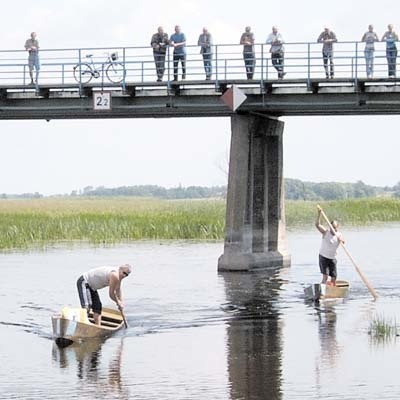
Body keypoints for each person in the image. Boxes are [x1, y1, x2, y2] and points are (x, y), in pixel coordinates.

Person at [315, 207, 344, 286]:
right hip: (323, 256)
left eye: (334, 227)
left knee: (334, 276)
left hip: (332, 258)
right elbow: (317, 225)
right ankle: (322, 290)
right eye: (332, 227)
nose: (333, 229)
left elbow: (343, 241)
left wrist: (341, 239)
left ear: (337, 227)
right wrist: (319, 214)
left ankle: (333, 289)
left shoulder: (339, 235)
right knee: (325, 276)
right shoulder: (326, 232)